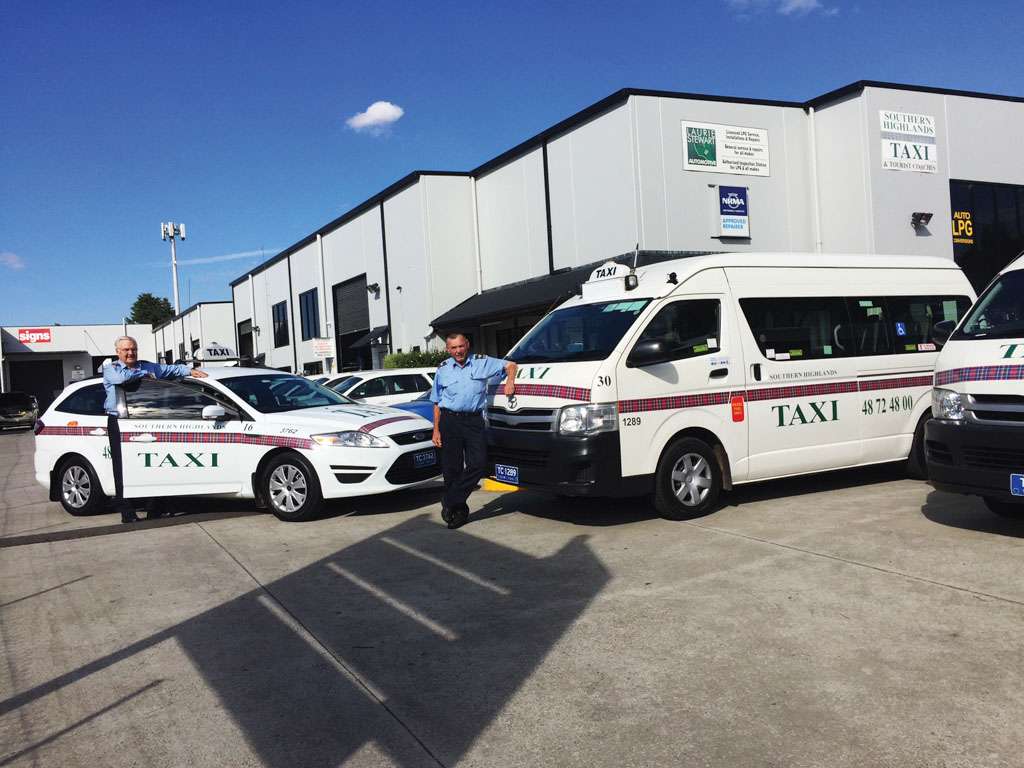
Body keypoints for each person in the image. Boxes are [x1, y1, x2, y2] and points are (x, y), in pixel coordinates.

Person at [102, 336, 207, 523]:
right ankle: (126, 512)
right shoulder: (112, 369)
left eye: (133, 349)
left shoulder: (149, 367)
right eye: (125, 350)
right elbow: (121, 379)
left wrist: (190, 370)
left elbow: (170, 369)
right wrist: (142, 374)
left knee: (152, 464)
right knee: (122, 467)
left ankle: (154, 508)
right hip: (119, 420)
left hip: (147, 419)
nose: (130, 353)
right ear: (117, 351)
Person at [430, 333, 517, 529]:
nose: (458, 351)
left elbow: (510, 365)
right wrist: (436, 429)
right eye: (453, 348)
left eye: (461, 346)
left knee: (478, 463)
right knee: (451, 469)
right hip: (449, 421)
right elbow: (436, 402)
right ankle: (457, 513)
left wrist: (510, 382)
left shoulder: (482, 362)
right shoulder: (443, 369)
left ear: (467, 345)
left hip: (473, 421)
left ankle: (450, 500)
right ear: (448, 350)